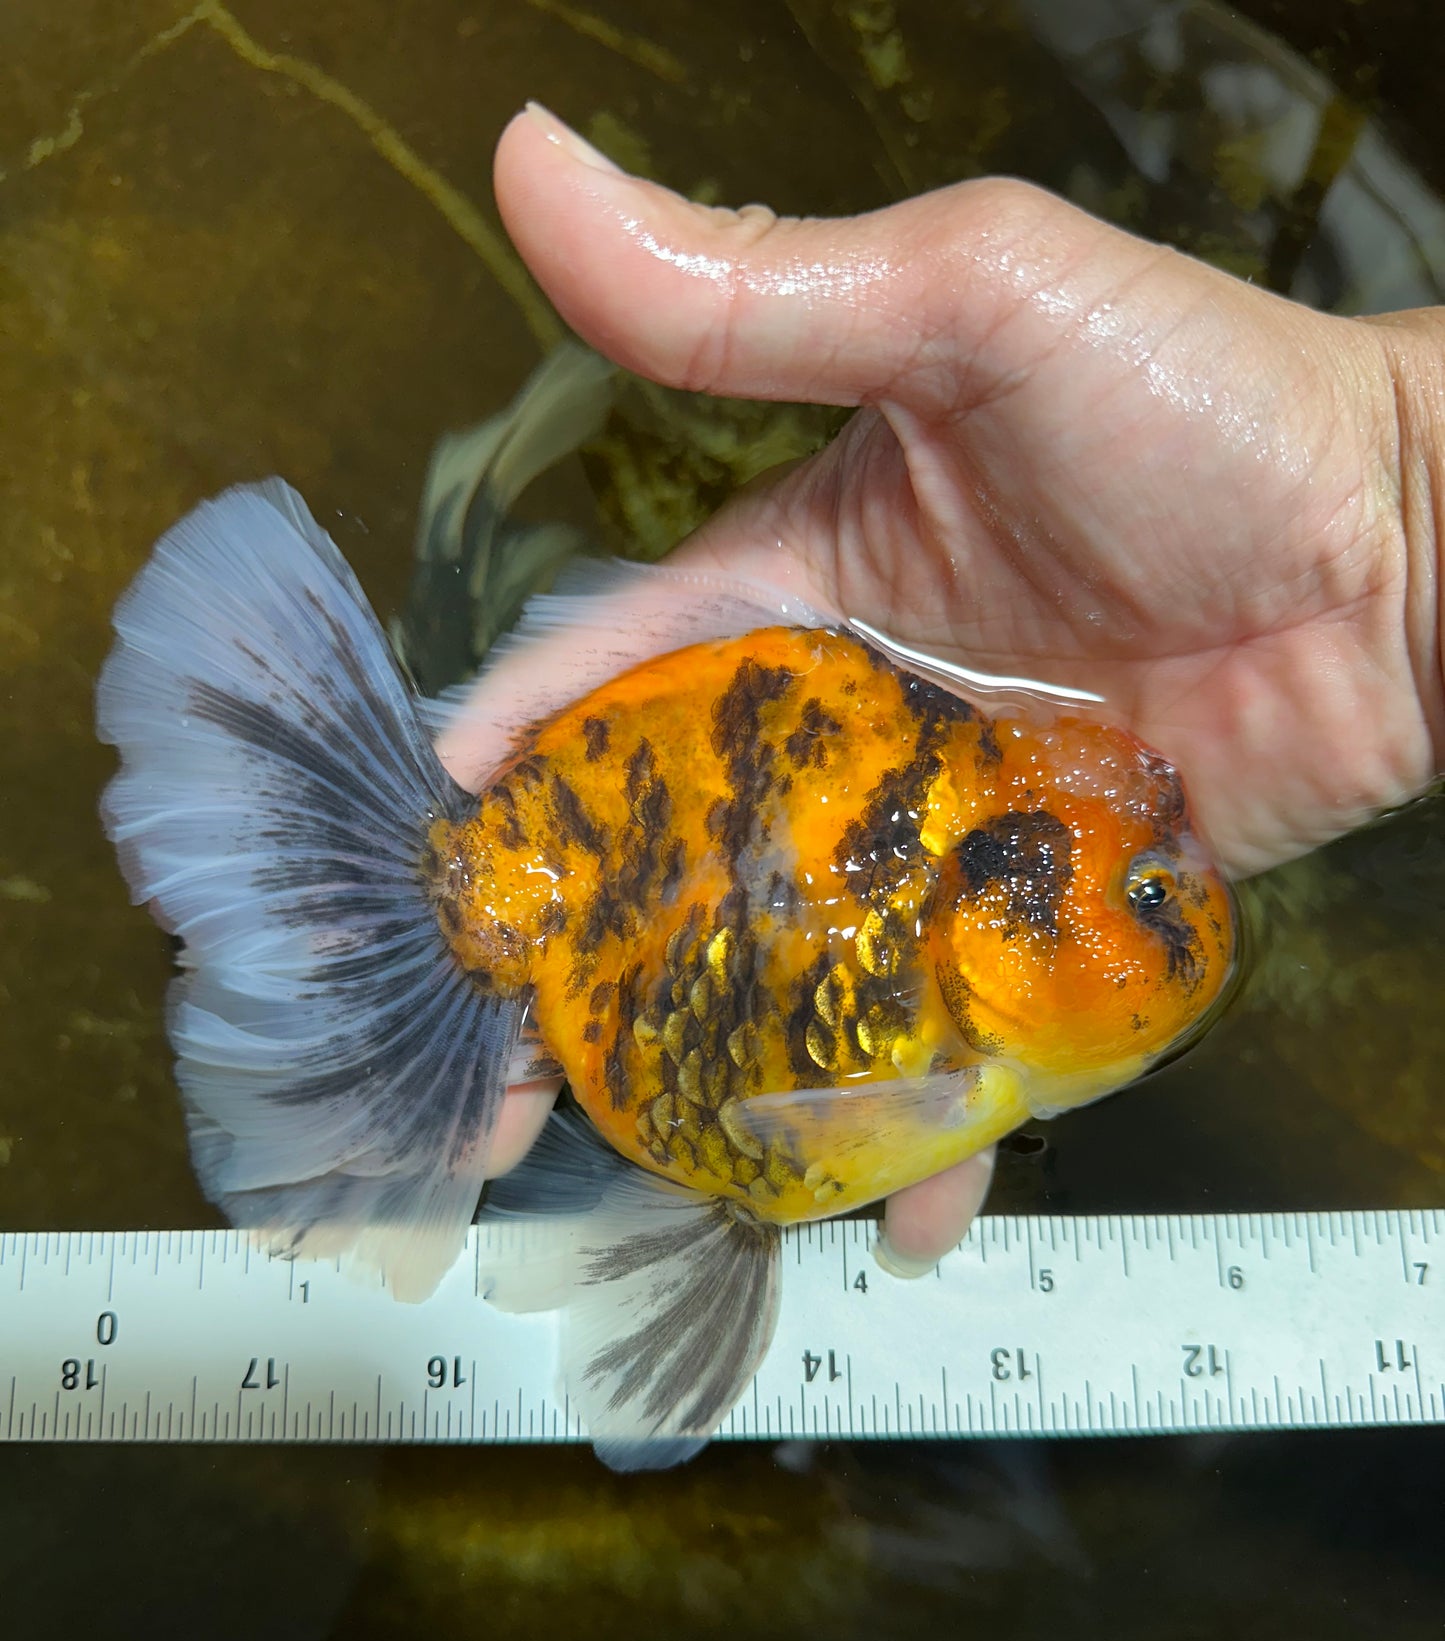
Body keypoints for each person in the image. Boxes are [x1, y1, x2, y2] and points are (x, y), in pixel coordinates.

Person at [448, 101, 1445, 1276]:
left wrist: (1402, 493)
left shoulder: (975, 913)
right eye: (1138, 884)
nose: (1182, 874)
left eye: (1144, 876)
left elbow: (791, 1130)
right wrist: (1395, 497)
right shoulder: (961, 999)